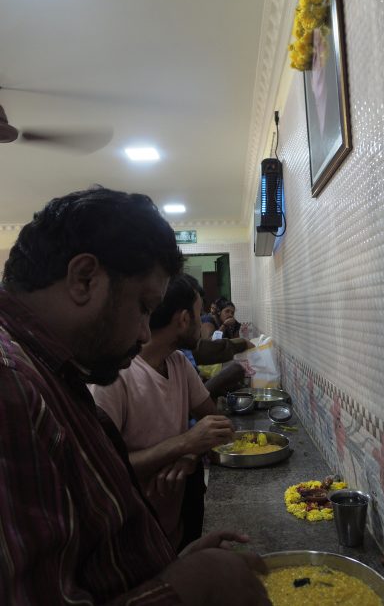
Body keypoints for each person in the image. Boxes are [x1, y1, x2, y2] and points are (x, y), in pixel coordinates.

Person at [0, 187, 271, 606]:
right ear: (84, 278)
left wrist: (166, 569)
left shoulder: (55, 373)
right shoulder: (11, 383)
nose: (146, 332)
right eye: (144, 306)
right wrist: (191, 586)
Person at [89, 274, 235, 550]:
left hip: (172, 526)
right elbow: (101, 471)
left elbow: (215, 421)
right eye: (198, 312)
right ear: (183, 319)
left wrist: (189, 454)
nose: (202, 319)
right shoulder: (113, 378)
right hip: (127, 541)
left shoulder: (178, 362)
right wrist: (183, 443)